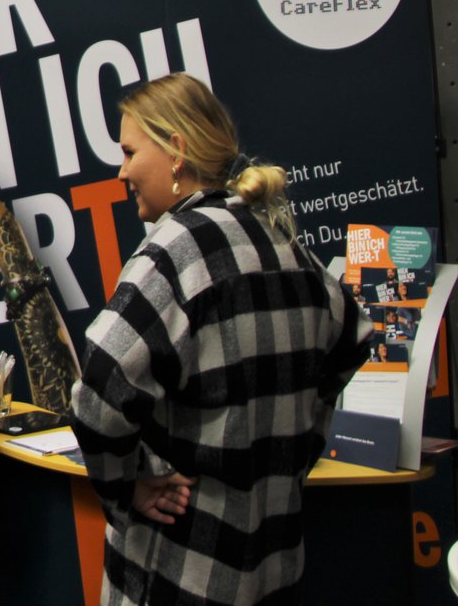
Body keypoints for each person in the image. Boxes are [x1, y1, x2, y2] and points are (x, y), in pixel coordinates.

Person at [71, 73, 372, 606]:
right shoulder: (284, 242)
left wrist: (126, 486)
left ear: (177, 151)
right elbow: (353, 338)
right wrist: (298, 451)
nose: (122, 171)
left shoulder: (176, 249)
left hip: (182, 571)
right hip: (276, 571)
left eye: (129, 151)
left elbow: (99, 383)